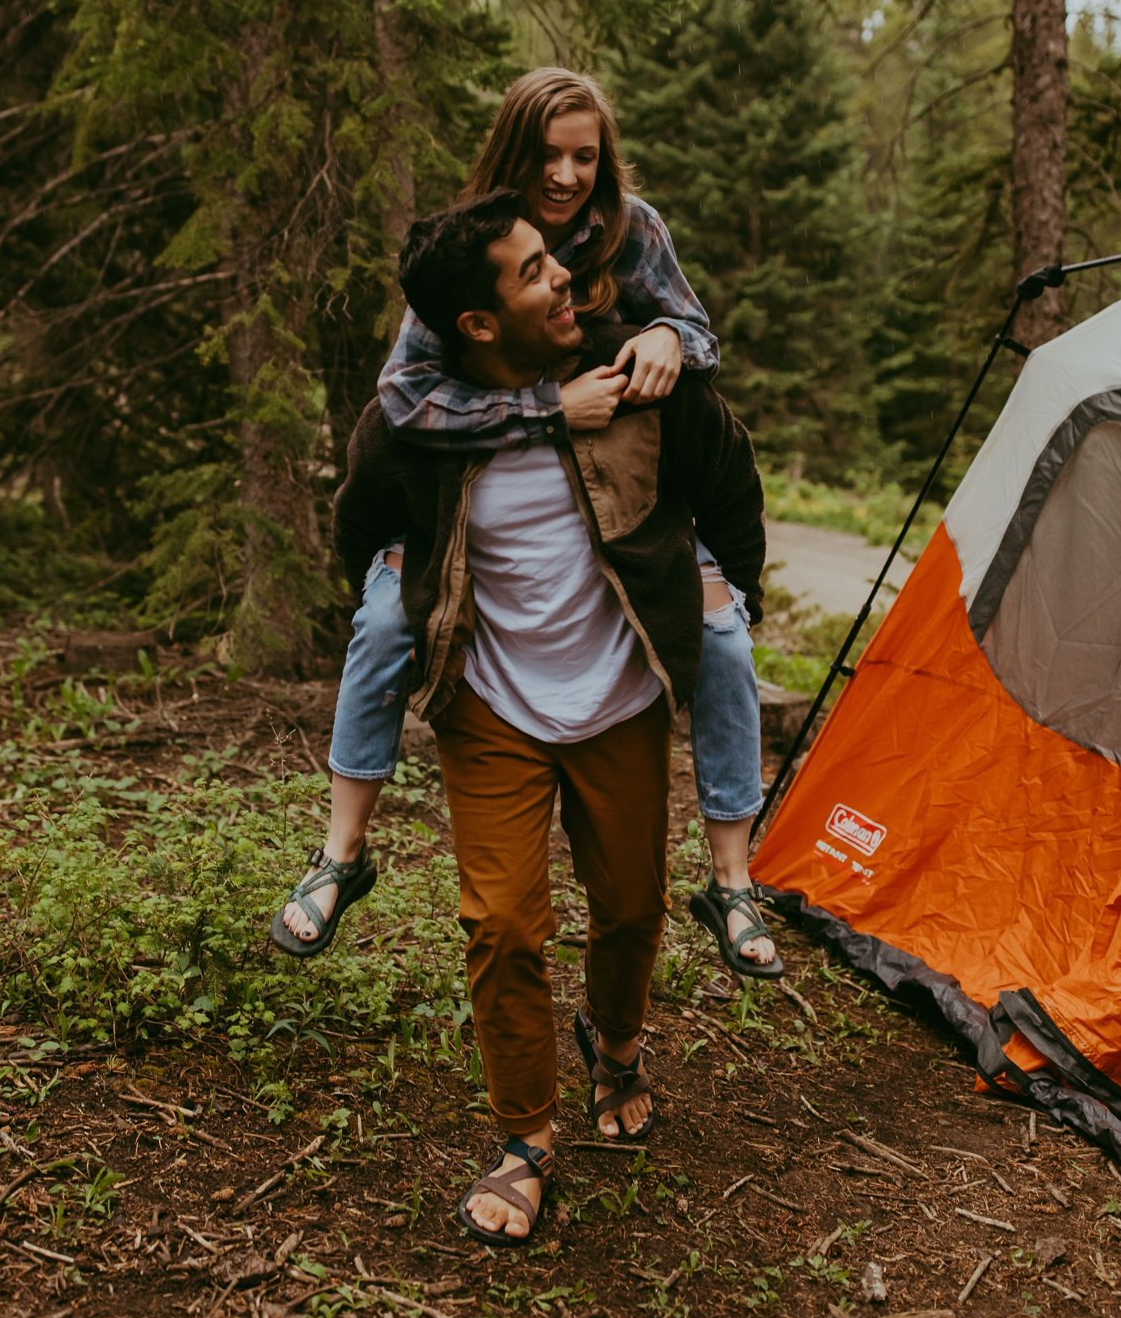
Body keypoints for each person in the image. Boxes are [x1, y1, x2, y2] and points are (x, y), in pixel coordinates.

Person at [317, 190, 768, 1240]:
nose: (563, 273)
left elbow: (728, 479)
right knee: (503, 922)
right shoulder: (418, 422)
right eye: (532, 272)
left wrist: (719, 602)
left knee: (630, 907)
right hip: (490, 706)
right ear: (479, 322)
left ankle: (614, 1043)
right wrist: (405, 598)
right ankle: (526, 1136)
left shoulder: (638, 379)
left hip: (621, 698)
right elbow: (361, 521)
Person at [272, 69, 779, 980]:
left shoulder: (634, 228)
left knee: (724, 639)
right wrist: (546, 410)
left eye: (585, 155)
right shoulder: (473, 244)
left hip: (627, 495)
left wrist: (668, 337)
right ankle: (341, 853)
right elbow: (405, 398)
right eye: (547, 155)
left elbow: (696, 340)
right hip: (488, 494)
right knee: (387, 622)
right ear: (513, 153)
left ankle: (731, 877)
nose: (566, 175)